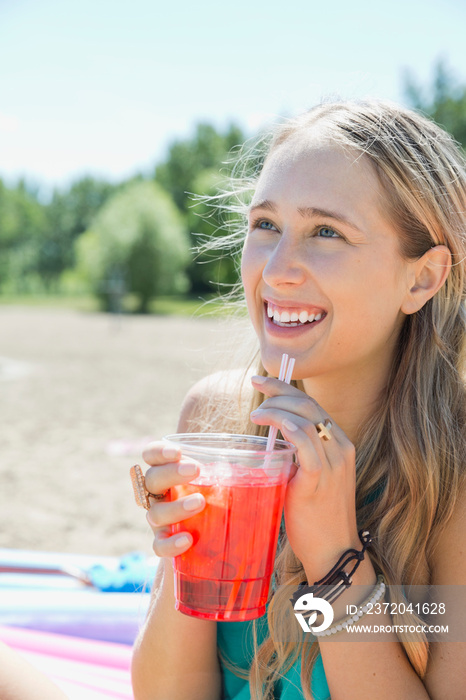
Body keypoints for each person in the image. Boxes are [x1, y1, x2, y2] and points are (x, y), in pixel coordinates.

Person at [131, 99, 466, 700]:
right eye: (265, 226)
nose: (278, 268)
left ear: (422, 278)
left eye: (327, 232)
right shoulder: (220, 419)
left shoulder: (455, 474)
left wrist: (335, 556)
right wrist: (185, 557)